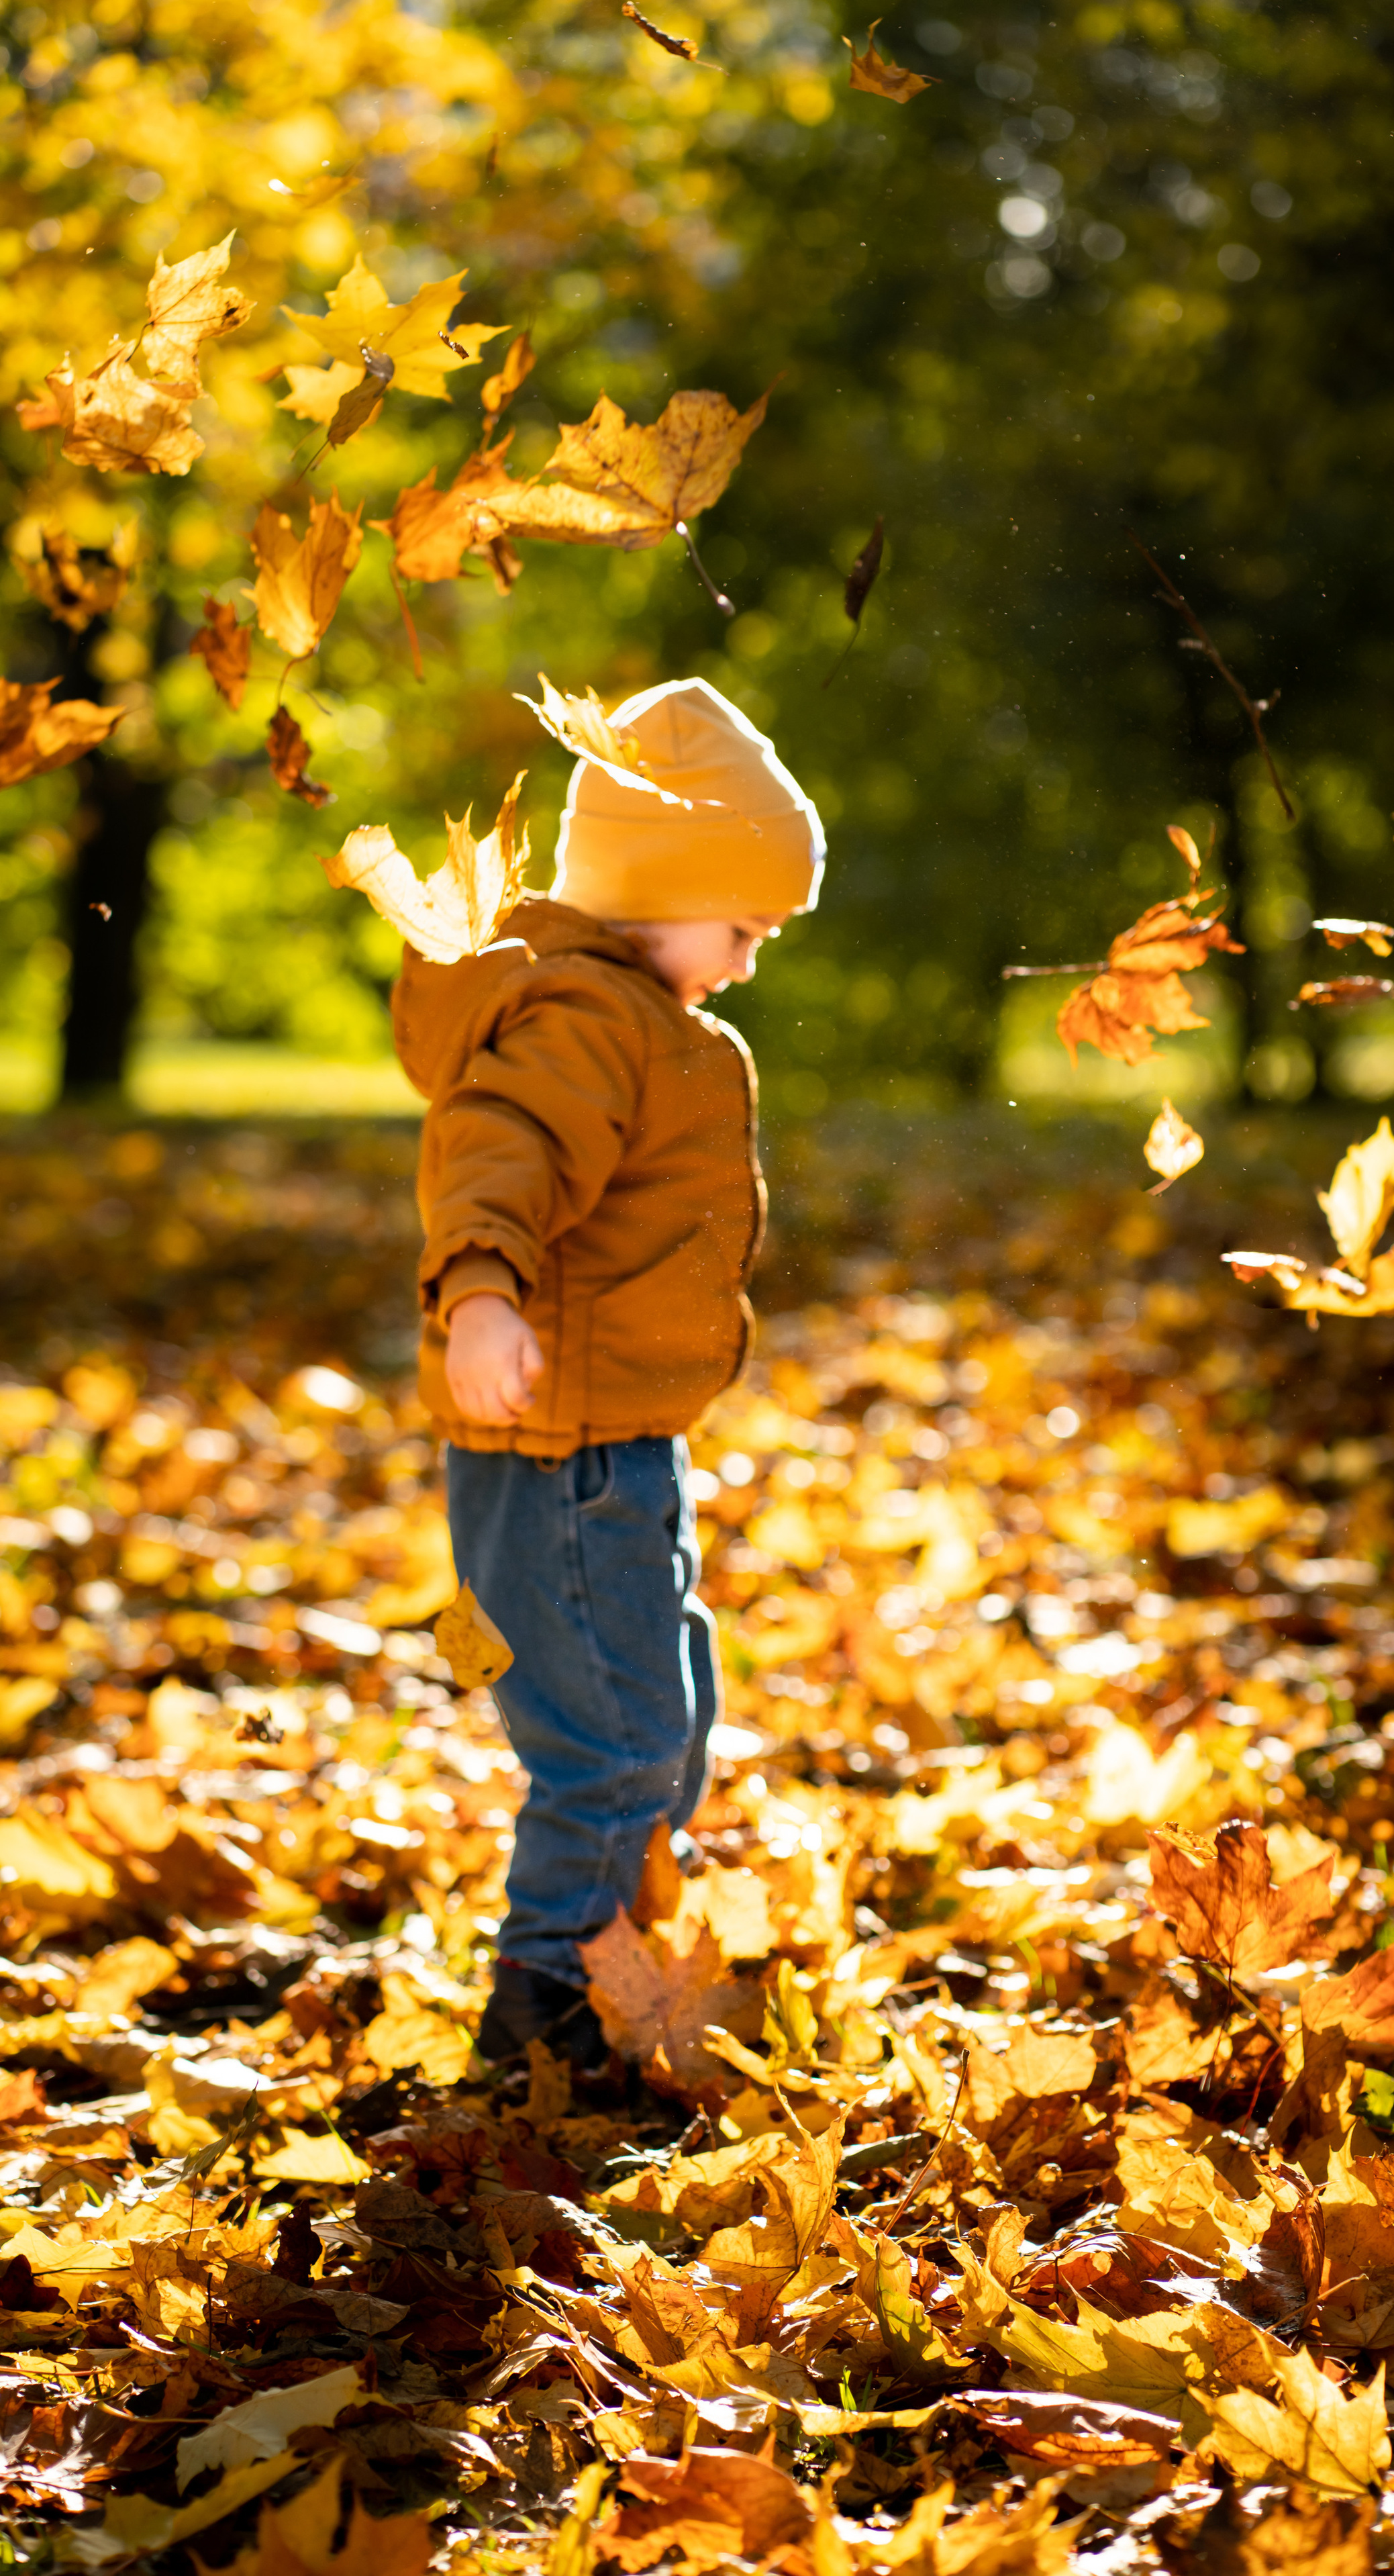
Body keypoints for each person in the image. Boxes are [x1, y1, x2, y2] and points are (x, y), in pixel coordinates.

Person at [392, 677, 824, 2064]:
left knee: (667, 1713)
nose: (751, 960)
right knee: (613, 1734)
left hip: (616, 1441)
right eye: (743, 927)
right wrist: (478, 1292)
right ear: (659, 887)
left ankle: (610, 1948)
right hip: (556, 1446)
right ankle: (547, 2005)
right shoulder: (580, 1020)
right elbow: (499, 1147)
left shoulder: (635, 1014)